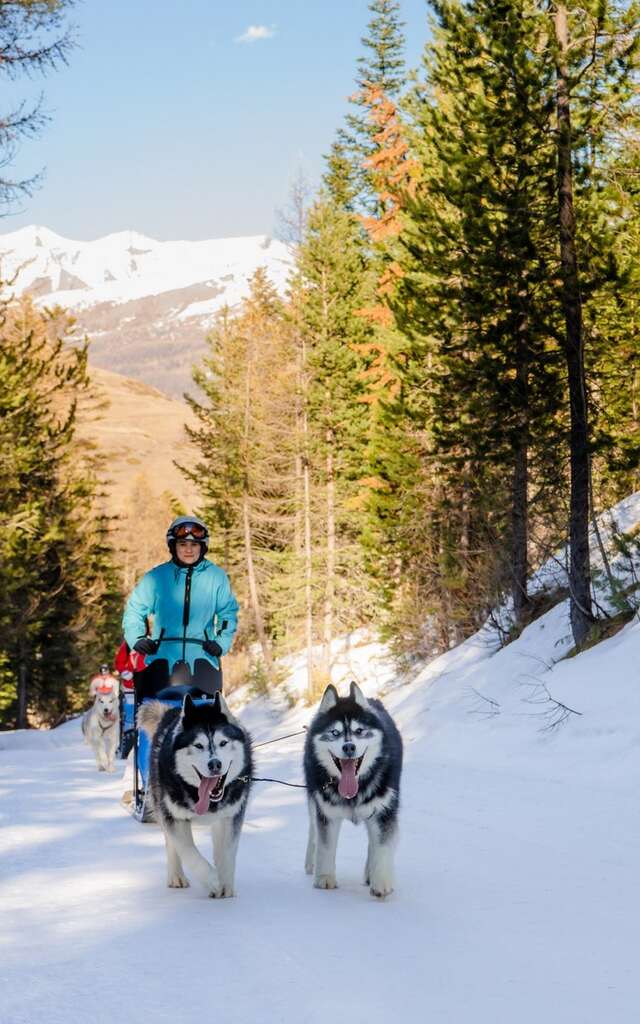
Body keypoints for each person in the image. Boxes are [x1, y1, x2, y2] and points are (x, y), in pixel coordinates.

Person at [122, 515, 238, 698]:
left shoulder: (217, 577)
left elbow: (227, 614)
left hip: (203, 661)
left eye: (194, 545)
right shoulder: (156, 577)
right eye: (183, 544)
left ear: (203, 546)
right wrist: (137, 638)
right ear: (173, 546)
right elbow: (134, 610)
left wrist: (221, 643)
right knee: (154, 719)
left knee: (205, 721)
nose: (189, 550)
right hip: (161, 660)